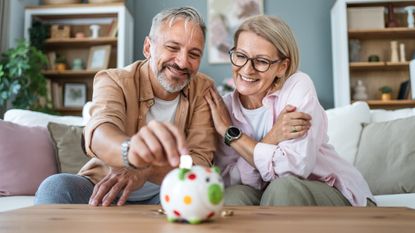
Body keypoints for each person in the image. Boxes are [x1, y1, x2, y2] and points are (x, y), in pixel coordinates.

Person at [35, 6, 217, 206]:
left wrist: (145, 170)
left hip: (168, 193)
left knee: (199, 198)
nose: (182, 62)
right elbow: (99, 133)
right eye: (172, 48)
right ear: (148, 47)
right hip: (104, 186)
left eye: (194, 54)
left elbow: (199, 162)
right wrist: (131, 153)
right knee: (55, 186)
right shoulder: (114, 79)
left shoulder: (203, 89)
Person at [205, 15, 375, 206]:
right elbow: (226, 180)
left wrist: (232, 135)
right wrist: (271, 138)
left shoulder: (297, 86)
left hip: (327, 189)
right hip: (266, 192)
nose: (247, 69)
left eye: (261, 61)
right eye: (241, 56)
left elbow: (294, 168)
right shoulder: (223, 109)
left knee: (282, 188)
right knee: (231, 197)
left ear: (282, 67)